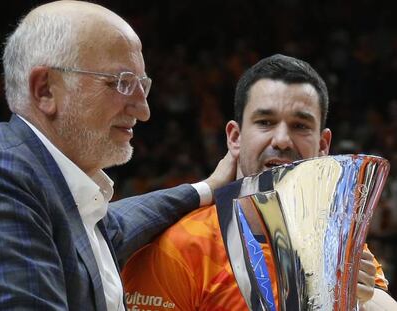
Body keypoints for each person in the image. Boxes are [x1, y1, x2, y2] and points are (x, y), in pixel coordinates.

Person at [0, 1, 236, 310]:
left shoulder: (51, 189)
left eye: (142, 86)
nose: (143, 111)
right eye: (121, 83)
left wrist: (207, 187)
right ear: (45, 89)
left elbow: (120, 222)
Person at [122, 54, 397, 311]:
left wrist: (362, 298)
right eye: (265, 122)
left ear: (323, 145)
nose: (282, 140)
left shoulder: (338, 243)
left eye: (300, 126)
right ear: (235, 137)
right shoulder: (179, 248)